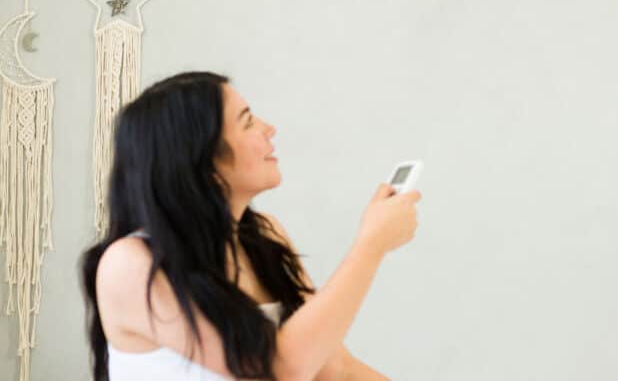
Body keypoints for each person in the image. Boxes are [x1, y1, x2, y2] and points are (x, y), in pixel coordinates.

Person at [79, 71, 421, 380]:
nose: (269, 128)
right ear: (202, 161)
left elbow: (336, 370)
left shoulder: (264, 237)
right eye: (247, 122)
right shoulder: (132, 264)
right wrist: (370, 247)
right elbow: (275, 369)